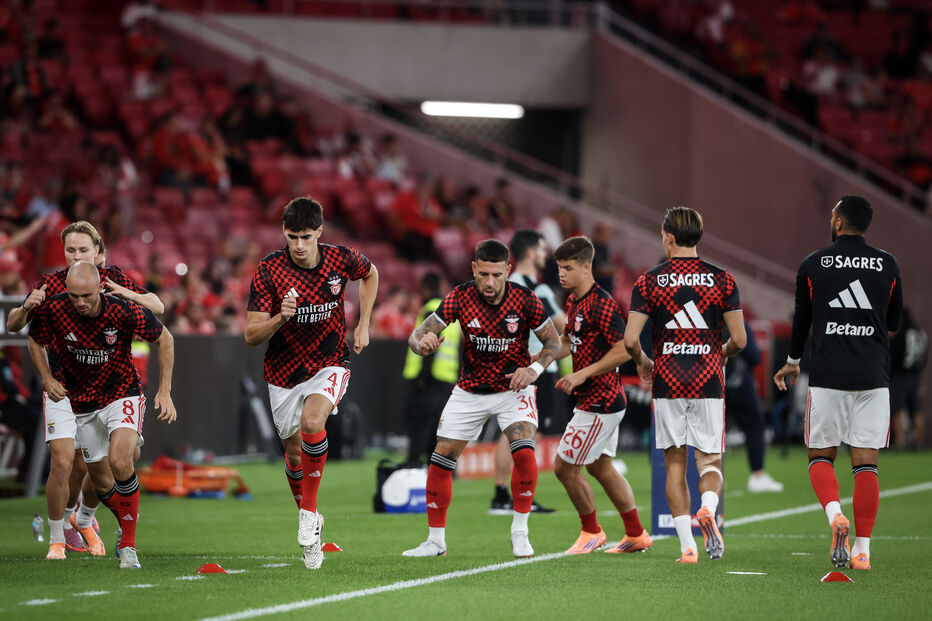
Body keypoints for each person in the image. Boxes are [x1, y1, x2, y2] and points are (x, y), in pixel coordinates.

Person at [6, 221, 163, 559]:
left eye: (82, 249)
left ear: (98, 252)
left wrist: (128, 294)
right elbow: (16, 326)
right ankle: (60, 534)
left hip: (110, 388)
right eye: (70, 250)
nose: (76, 255)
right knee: (66, 461)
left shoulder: (113, 279)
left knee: (115, 461)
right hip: (65, 388)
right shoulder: (51, 284)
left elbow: (158, 309)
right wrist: (27, 307)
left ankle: (85, 518)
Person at [402, 239, 561, 558]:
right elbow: (416, 335)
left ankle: (520, 532)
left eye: (496, 275)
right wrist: (422, 344)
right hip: (470, 390)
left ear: (508, 271)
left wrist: (533, 370)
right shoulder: (460, 297)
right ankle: (435, 541)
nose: (489, 282)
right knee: (441, 456)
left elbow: (553, 343)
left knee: (524, 451)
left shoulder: (525, 299)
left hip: (514, 388)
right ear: (474, 268)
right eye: (483, 273)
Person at [246, 197, 379, 570]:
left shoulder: (340, 258)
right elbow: (251, 335)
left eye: (306, 236)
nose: (299, 245)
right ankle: (312, 518)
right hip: (283, 372)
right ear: (284, 234)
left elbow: (371, 274)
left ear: (319, 232)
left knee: (312, 423)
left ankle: (307, 513)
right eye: (292, 237)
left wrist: (364, 323)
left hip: (330, 360)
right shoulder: (269, 271)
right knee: (292, 453)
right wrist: (279, 318)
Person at [774, 195, 903, 571]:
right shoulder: (888, 264)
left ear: (839, 221)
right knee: (866, 464)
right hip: (873, 378)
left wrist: (792, 362)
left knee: (820, 455)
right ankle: (862, 550)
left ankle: (835, 518)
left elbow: (802, 318)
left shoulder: (813, 264)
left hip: (828, 376)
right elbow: (893, 322)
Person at [27, 261, 176, 568]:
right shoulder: (54, 309)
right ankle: (109, 519)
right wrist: (47, 379)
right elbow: (34, 340)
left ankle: (129, 545)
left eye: (86, 296)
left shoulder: (121, 311)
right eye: (74, 296)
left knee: (122, 460)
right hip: (82, 404)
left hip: (122, 393)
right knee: (99, 478)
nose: (80, 302)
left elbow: (165, 338)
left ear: (99, 288)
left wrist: (164, 391)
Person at [624, 206, 746, 564]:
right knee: (709, 461)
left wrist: (646, 363)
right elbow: (739, 339)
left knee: (675, 466)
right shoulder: (723, 279)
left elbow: (631, 340)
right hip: (708, 380)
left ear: (669, 237)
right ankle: (708, 508)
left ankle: (687, 548)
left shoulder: (649, 280)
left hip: (669, 382)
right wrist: (720, 353)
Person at [550, 236, 652, 555]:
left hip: (601, 401)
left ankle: (591, 531)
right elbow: (569, 341)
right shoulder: (574, 301)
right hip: (598, 400)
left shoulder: (602, 303)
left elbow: (624, 348)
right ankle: (636, 534)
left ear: (586, 267)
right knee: (600, 467)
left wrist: (582, 373)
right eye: (559, 268)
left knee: (565, 468)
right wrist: (539, 358)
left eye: (568, 268)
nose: (561, 274)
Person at [489, 230, 562, 515]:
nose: (546, 256)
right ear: (531, 253)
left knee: (511, 432)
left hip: (513, 366)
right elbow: (563, 326)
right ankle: (516, 497)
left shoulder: (506, 285)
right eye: (543, 250)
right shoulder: (536, 289)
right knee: (525, 434)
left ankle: (502, 495)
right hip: (537, 369)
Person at [402, 272, 460, 466]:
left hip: (428, 378)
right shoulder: (449, 313)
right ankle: (436, 462)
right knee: (438, 424)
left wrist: (422, 377)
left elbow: (429, 346)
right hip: (447, 376)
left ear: (424, 289)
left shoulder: (430, 311)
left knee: (419, 422)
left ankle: (413, 462)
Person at [724, 320, 784, 492]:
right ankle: (757, 475)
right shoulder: (737, 321)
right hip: (741, 386)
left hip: (712, 384)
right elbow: (754, 356)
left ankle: (711, 475)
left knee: (711, 431)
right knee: (755, 426)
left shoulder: (706, 318)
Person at [890, 308, 927, 449]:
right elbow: (924, 356)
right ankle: (919, 442)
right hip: (916, 376)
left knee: (898, 409)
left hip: (900, 376)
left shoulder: (902, 334)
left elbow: (895, 356)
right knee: (916, 410)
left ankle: (900, 443)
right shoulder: (921, 333)